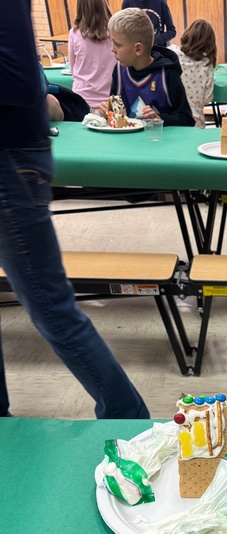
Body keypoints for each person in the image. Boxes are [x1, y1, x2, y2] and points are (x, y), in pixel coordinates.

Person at [0, 0, 149, 419]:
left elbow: (19, 80)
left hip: (9, 153)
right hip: (14, 148)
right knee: (49, 303)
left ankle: (128, 418)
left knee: (48, 304)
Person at [96, 8, 194, 126]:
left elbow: (187, 120)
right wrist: (107, 113)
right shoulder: (118, 71)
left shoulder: (167, 74)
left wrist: (160, 119)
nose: (112, 49)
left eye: (117, 44)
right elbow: (117, 117)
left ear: (138, 49)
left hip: (160, 138)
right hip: (128, 138)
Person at [68, 0, 116, 110]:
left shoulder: (74, 33)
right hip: (110, 100)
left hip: (82, 99)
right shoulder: (115, 32)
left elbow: (73, 69)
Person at [169, 19, 217, 128]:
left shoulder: (171, 54)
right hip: (197, 124)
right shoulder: (207, 64)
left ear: (187, 35)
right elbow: (207, 98)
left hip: (173, 123)